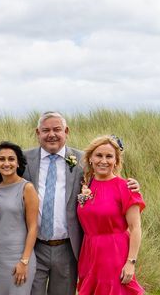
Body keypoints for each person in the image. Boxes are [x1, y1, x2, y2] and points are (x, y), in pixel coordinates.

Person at [23, 111, 141, 295]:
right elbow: (2, 178)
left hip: (69, 248)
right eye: (45, 130)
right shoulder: (23, 160)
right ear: (38, 132)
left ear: (66, 131)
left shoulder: (81, 161)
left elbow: (108, 176)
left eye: (57, 129)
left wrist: (131, 185)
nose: (51, 134)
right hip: (34, 246)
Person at [76, 135, 144, 294]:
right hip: (89, 253)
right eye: (99, 155)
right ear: (90, 158)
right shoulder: (86, 184)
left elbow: (135, 228)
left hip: (114, 253)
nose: (103, 160)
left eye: (109, 156)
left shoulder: (125, 187)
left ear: (116, 161)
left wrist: (131, 263)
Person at [0, 141, 39, 294]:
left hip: (19, 257)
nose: (6, 163)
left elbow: (33, 227)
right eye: (2, 159)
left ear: (18, 163)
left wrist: (24, 261)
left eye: (11, 159)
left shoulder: (27, 188)